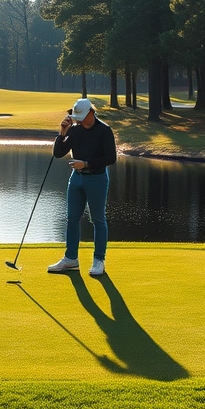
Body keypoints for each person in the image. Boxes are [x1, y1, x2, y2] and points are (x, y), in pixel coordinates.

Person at [48, 98, 117, 276]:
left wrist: (85, 164)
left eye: (80, 116)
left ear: (91, 113)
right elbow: (58, 153)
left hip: (97, 179)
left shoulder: (104, 131)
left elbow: (111, 158)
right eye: (76, 117)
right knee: (72, 218)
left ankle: (98, 260)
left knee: (98, 219)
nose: (77, 120)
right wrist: (62, 133)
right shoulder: (75, 130)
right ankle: (71, 259)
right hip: (76, 179)